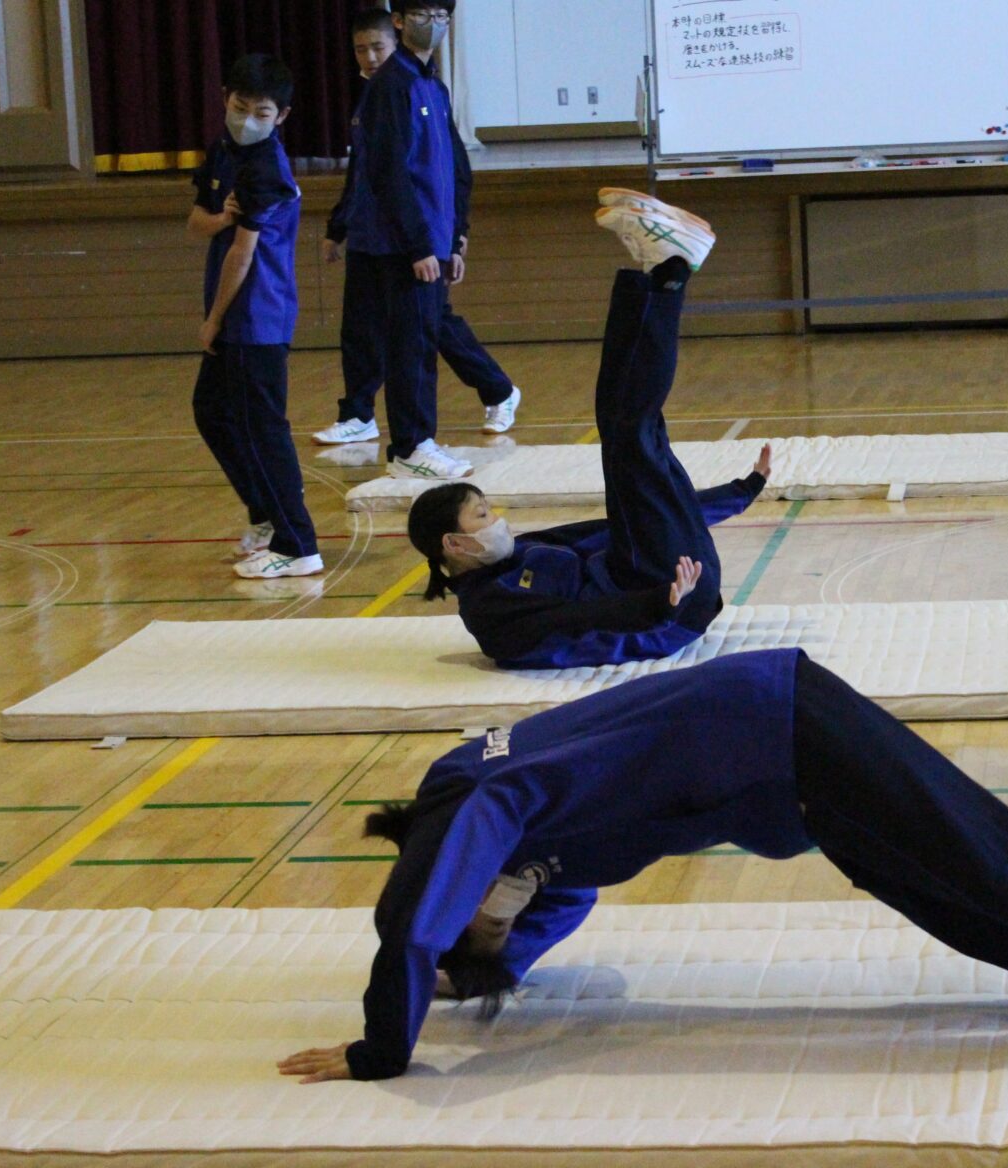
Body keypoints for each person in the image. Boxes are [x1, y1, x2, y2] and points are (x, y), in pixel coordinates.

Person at [276, 648, 1008, 1085]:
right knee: (985, 893)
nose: (499, 922)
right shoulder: (526, 832)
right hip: (790, 754)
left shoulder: (471, 807)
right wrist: (482, 962)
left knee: (1003, 886)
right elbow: (552, 898)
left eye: (479, 916)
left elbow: (413, 921)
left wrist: (382, 1044)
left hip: (785, 738)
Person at [406, 192, 765, 671]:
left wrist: (743, 491)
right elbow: (578, 616)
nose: (496, 519)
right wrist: (661, 601)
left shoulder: (522, 551)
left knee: (624, 425)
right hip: (666, 600)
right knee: (632, 434)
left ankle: (658, 274)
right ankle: (672, 272)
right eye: (482, 514)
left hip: (653, 572)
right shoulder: (489, 610)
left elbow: (613, 528)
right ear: (453, 543)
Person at [315, 7, 522, 450]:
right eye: (360, 49)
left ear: (395, 40)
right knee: (362, 329)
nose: (370, 57)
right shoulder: (377, 96)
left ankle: (494, 392)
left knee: (427, 330)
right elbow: (367, 171)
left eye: (377, 48)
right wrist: (340, 224)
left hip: (413, 239)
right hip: (377, 237)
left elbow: (448, 168)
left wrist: (451, 236)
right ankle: (359, 413)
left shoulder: (417, 86)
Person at [186, 54, 323, 580]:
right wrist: (219, 216)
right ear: (225, 97)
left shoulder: (267, 169)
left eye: (261, 112)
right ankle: (266, 515)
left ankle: (298, 544)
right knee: (212, 411)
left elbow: (242, 256)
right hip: (232, 317)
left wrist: (214, 320)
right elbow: (196, 221)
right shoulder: (222, 152)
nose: (247, 119)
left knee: (263, 428)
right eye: (240, 106)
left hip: (256, 318)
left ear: (280, 116)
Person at [342, 0, 480, 481]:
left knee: (421, 341)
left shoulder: (432, 85)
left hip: (435, 243)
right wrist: (420, 245)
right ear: (398, 21)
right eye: (423, 13)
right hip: (402, 247)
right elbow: (388, 173)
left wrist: (456, 237)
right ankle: (410, 446)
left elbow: (455, 168)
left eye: (442, 15)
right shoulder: (390, 87)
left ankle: (418, 439)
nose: (434, 24)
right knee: (410, 345)